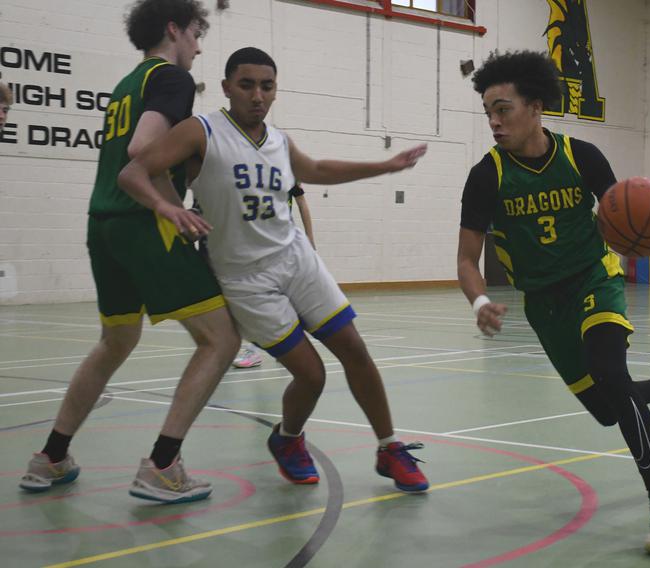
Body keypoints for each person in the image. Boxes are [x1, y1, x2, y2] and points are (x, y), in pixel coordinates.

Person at [118, 47, 430, 493]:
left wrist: (384, 165)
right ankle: (288, 440)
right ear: (227, 88)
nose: (258, 95)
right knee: (312, 375)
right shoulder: (200, 131)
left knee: (355, 350)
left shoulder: (279, 141)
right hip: (245, 278)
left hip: (296, 259)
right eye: (247, 85)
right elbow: (133, 172)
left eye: (267, 86)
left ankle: (389, 447)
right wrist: (167, 207)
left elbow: (318, 169)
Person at [457, 50, 650, 552]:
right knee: (611, 408)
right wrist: (480, 303)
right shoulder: (486, 176)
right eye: (488, 113)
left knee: (611, 374)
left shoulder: (580, 156)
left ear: (535, 106)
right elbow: (465, 259)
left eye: (503, 109)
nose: (494, 122)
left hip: (595, 280)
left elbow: (623, 216)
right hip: (544, 304)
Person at [19, 0, 241, 504]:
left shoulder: (126, 84)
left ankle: (51, 457)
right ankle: (162, 466)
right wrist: (169, 207)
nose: (198, 45)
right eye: (195, 34)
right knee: (223, 339)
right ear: (173, 29)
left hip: (102, 225)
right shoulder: (171, 79)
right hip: (143, 224)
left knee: (115, 341)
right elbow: (145, 148)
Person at [231, 182, 314, 369]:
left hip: (283, 244)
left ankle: (287, 347)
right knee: (254, 296)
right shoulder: (250, 174)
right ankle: (255, 350)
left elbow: (301, 201)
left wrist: (310, 238)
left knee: (286, 297)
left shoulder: (286, 171)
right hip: (257, 243)